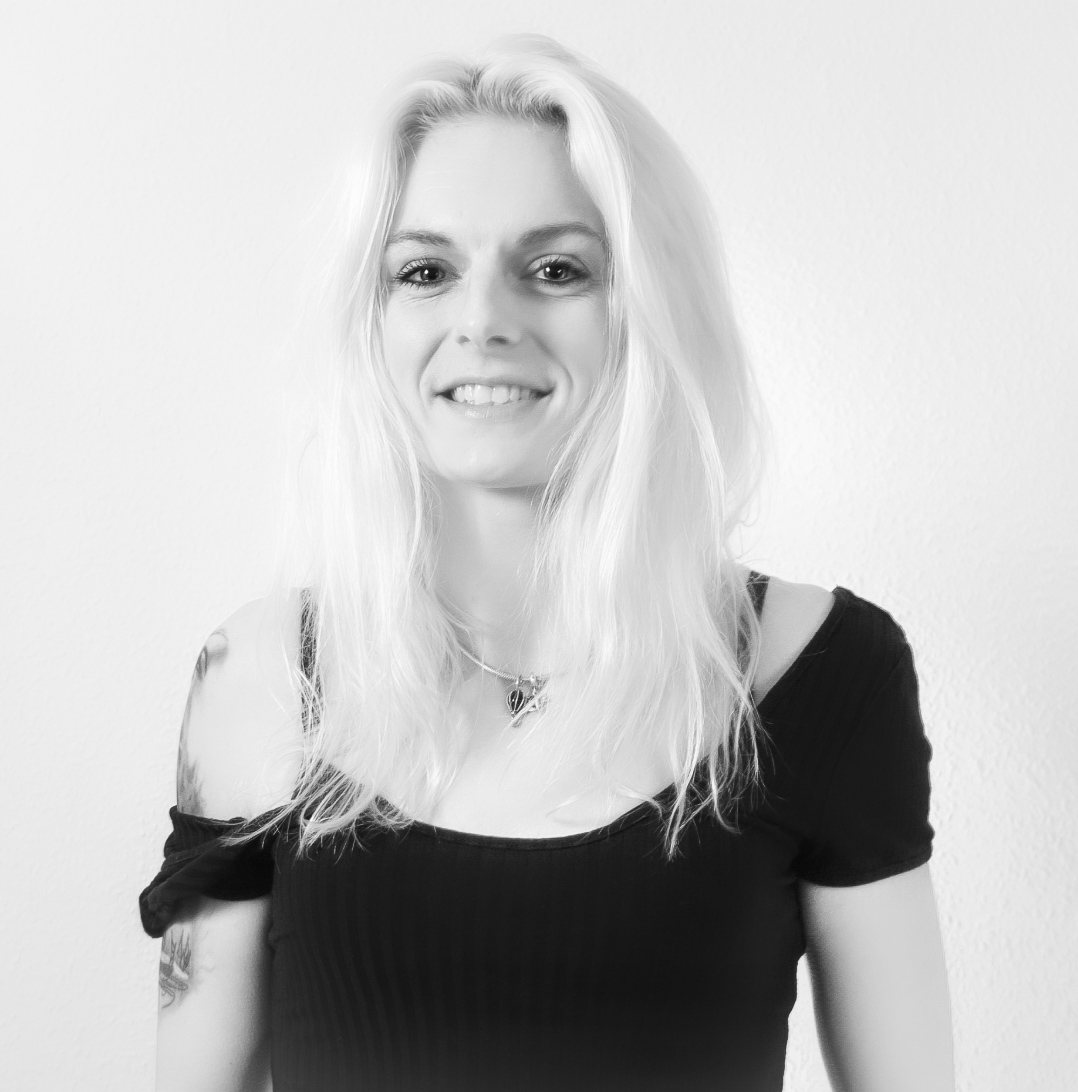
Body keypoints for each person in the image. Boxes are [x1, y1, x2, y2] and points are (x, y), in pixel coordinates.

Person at [141, 35, 954, 1092]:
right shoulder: (254, 678)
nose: (483, 320)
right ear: (369, 319)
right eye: (425, 272)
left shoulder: (820, 674)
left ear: (649, 306)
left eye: (557, 269)